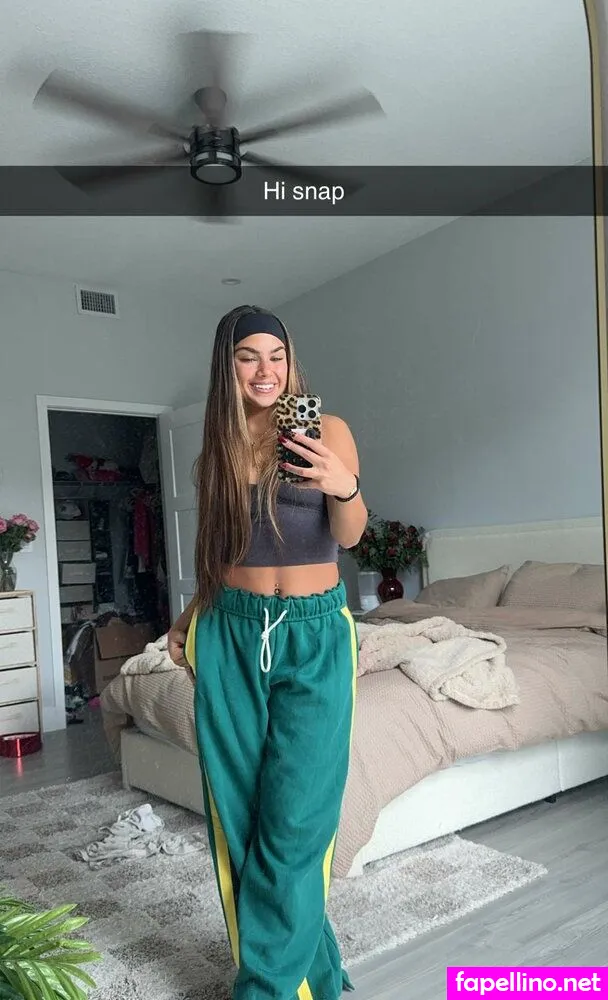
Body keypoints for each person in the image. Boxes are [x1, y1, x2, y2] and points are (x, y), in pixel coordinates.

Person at [168, 304, 367, 1000]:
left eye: (276, 356)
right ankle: (315, 971)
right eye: (248, 356)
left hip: (314, 632)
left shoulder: (327, 430)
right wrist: (190, 616)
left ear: (291, 362)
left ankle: (264, 988)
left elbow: (351, 534)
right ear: (227, 367)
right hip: (229, 629)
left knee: (298, 819)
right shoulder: (217, 451)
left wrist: (342, 485)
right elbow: (216, 552)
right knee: (242, 816)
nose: (265, 370)